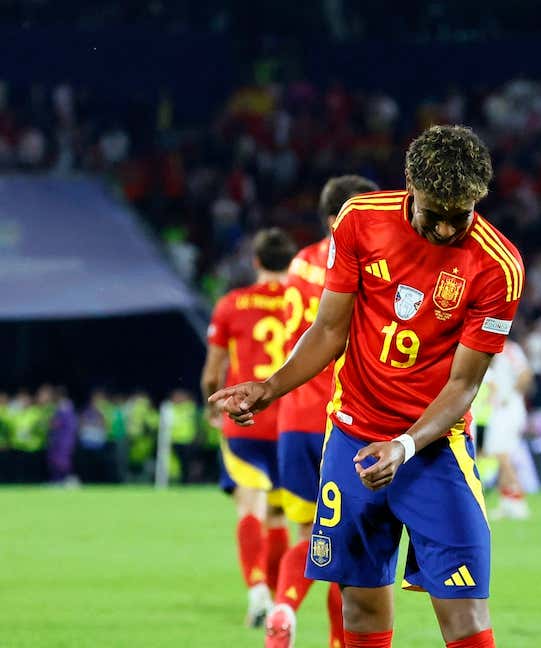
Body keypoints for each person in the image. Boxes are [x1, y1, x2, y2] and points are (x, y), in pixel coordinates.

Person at [211, 125, 523, 648]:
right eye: (434, 214)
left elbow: (464, 385)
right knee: (359, 604)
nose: (447, 230)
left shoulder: (499, 266)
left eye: (460, 216)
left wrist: (404, 445)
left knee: (465, 615)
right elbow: (330, 329)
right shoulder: (360, 220)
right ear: (409, 187)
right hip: (352, 440)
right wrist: (267, 388)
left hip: (434, 451)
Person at [266, 174, 379, 648]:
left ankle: (284, 606)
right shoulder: (363, 262)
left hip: (293, 418)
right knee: (347, 547)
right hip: (341, 419)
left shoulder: (299, 263)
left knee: (309, 534)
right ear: (342, 218)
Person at [202, 228, 298, 628]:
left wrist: (213, 406)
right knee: (279, 514)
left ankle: (257, 589)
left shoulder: (231, 304)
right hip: (291, 419)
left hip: (245, 419)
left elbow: (213, 371)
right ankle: (280, 600)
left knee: (251, 507)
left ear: (256, 262)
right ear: (291, 264)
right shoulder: (303, 302)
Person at [475, 339, 533, 520]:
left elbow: (525, 374)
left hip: (509, 408)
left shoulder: (510, 349)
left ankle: (519, 501)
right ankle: (506, 501)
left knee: (502, 455)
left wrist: (510, 395)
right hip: (499, 410)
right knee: (498, 455)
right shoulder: (492, 347)